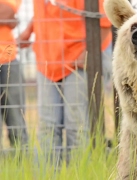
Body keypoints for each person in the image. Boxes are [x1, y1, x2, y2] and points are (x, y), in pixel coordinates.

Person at [17, 0, 112, 165]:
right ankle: (46, 174)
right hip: (46, 61)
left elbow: (105, 19)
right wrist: (28, 30)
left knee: (76, 124)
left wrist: (88, 53)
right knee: (48, 126)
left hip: (78, 59)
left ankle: (80, 172)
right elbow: (48, 9)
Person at [0, 0, 28, 150]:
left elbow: (7, 11)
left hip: (7, 58)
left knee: (16, 120)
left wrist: (9, 18)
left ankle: (22, 165)